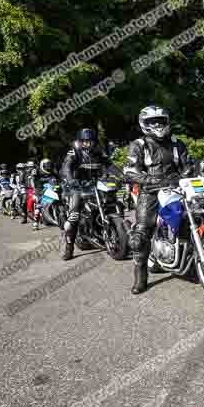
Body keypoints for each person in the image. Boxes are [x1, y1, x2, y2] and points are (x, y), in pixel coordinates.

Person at [122, 106, 192, 294]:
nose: (157, 125)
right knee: (141, 234)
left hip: (177, 187)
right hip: (150, 192)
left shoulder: (178, 144)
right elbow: (130, 170)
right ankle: (140, 276)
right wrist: (149, 179)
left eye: (160, 121)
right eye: (152, 122)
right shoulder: (139, 145)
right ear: (144, 124)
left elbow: (189, 166)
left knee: (196, 215)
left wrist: (188, 175)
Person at [60, 128, 122, 260]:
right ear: (80, 141)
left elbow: (110, 165)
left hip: (95, 184)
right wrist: (71, 180)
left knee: (111, 202)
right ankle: (69, 248)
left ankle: (114, 231)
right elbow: (66, 167)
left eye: (90, 141)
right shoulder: (74, 152)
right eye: (85, 141)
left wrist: (122, 175)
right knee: (74, 215)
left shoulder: (98, 152)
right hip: (77, 185)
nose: (88, 144)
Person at [30, 158, 58, 230]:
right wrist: (34, 189)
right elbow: (32, 180)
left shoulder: (53, 170)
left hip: (51, 187)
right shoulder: (36, 171)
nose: (48, 167)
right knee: (39, 204)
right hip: (39, 188)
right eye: (46, 166)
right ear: (42, 165)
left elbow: (58, 177)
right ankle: (35, 222)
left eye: (50, 166)